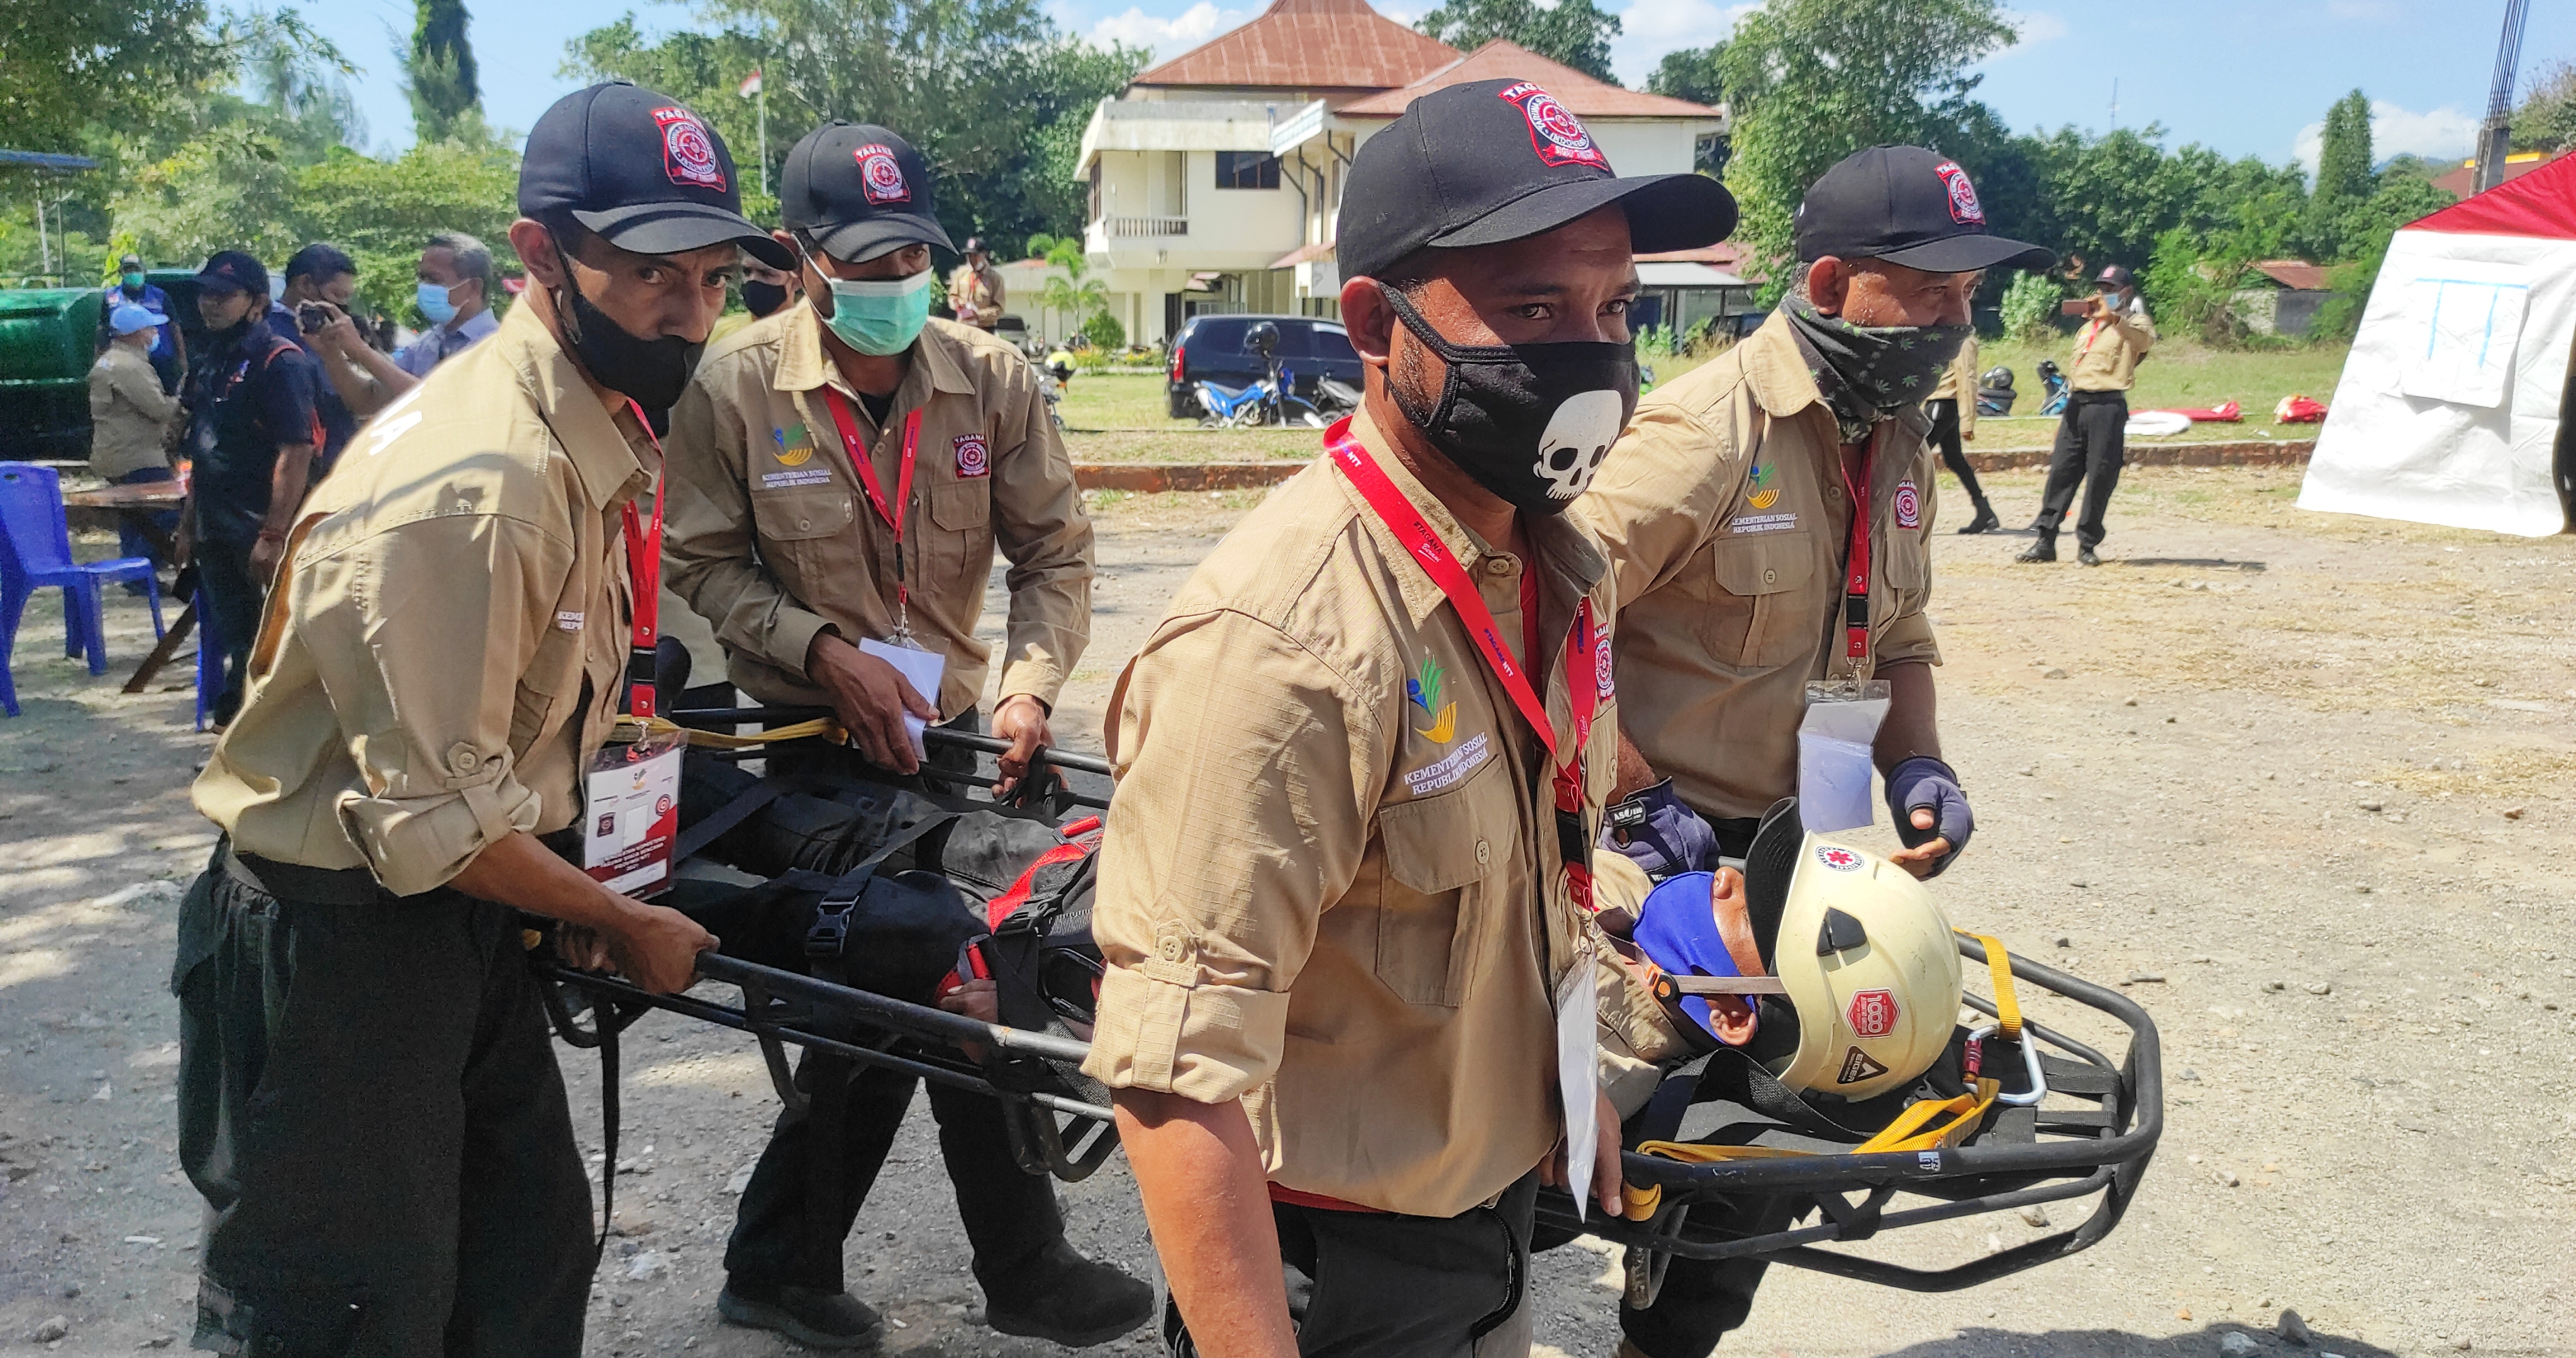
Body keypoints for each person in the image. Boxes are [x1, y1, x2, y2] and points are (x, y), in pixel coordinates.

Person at [1084, 79, 1733, 1357]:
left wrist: (1557, 1094)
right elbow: (1170, 1076)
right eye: (1530, 308)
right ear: (1376, 326)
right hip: (1338, 1264)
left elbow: (1528, 880)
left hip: (1486, 1209)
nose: (1590, 355)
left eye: (1612, 309)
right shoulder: (1285, 646)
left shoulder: (1550, 561)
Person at [175, 79, 780, 1357]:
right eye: (652, 273)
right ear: (539, 256)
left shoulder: (590, 427)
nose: (690, 311)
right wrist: (621, 919)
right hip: (342, 929)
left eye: (715, 277)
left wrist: (564, 883)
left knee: (521, 1263)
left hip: (466, 903)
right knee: (342, 1308)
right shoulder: (481, 481)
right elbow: (434, 822)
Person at [1570, 145, 2050, 1358]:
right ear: (1832, 283)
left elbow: (1896, 623)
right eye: (1929, 293)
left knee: (1788, 1117)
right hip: (1652, 839)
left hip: (1802, 842)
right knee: (1582, 1100)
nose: (1955, 321)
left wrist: (1920, 764)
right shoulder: (1703, 430)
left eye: (1968, 297)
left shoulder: (1892, 434)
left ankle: (1670, 1334)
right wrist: (1628, 795)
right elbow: (1559, 611)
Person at [662, 121, 1134, 1350]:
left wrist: (1029, 686)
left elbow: (1055, 556)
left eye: (906, 263)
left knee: (964, 975)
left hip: (969, 739)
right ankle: (946, 1267)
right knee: (908, 986)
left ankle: (868, 1264)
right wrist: (824, 649)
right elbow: (702, 566)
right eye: (861, 268)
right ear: (801, 258)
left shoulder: (993, 381)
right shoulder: (733, 389)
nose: (889, 292)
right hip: (816, 740)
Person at [176, 249, 323, 727]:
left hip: (260, 528)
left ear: (256, 301)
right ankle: (240, 743)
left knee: (277, 641)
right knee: (239, 638)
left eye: (224, 295)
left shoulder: (279, 360)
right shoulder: (210, 359)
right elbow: (204, 449)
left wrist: (274, 534)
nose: (210, 304)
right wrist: (187, 525)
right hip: (215, 527)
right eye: (205, 295)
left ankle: (272, 746)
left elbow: (296, 452)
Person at [2021, 263, 2155, 566]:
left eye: (2111, 289)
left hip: (2107, 406)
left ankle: (2087, 544)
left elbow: (2144, 343)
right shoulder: (2087, 327)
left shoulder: (2137, 322)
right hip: (2077, 403)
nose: (2104, 293)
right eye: (2102, 288)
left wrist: (2116, 317)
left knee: (2100, 476)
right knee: (2061, 471)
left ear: (2126, 292)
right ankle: (2045, 539)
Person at [307, 232, 504, 419]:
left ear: (474, 287)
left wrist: (361, 351)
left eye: (434, 279)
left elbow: (439, 406)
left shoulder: (497, 347)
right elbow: (367, 401)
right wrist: (331, 354)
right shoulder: (427, 343)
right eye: (422, 278)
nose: (424, 287)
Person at [88, 299, 184, 565]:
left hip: (116, 452)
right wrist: (183, 399)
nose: (155, 334)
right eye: (150, 329)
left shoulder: (110, 361)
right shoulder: (129, 367)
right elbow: (159, 409)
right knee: (164, 513)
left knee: (134, 516)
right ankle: (144, 566)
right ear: (136, 333)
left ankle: (134, 571)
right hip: (137, 455)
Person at [272, 242, 363, 468]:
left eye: (347, 297)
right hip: (299, 464)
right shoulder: (271, 335)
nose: (342, 305)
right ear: (304, 284)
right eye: (336, 294)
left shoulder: (331, 331)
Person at [1925, 333, 1998, 533]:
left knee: (1913, 457)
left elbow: (1967, 378)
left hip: (1944, 402)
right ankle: (1984, 511)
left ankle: (1909, 514)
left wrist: (1968, 420)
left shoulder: (1963, 339)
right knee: (1954, 459)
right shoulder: (1941, 333)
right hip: (1938, 401)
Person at [111, 252, 187, 392]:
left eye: (136, 269)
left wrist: (182, 359)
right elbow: (102, 330)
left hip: (161, 360)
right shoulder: (111, 298)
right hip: (127, 362)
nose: (132, 273)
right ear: (121, 272)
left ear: (144, 271)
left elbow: (175, 327)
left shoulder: (160, 296)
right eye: (128, 270)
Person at [713, 248, 802, 343]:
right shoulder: (718, 332)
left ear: (795, 283)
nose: (752, 279)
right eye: (747, 271)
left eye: (766, 274)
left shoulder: (806, 338)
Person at [945, 236, 1004, 333]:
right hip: (963, 326)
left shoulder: (995, 279)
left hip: (984, 329)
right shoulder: (961, 273)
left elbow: (999, 309)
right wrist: (957, 305)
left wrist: (978, 314)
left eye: (974, 255)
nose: (971, 259)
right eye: (968, 256)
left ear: (984, 255)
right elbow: (952, 296)